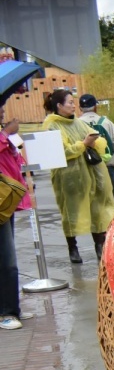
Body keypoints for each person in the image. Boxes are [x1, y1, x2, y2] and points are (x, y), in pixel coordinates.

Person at [40, 89, 114, 264]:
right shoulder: (51, 125)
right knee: (71, 210)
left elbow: (95, 138)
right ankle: (72, 247)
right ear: (59, 106)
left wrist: (94, 140)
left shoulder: (78, 123)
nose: (73, 106)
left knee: (97, 206)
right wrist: (83, 144)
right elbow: (61, 151)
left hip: (90, 173)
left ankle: (99, 244)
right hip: (69, 177)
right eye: (69, 103)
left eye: (73, 102)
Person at [0, 103, 30, 329]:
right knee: (6, 260)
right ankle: (7, 312)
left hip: (6, 200)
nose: (3, 110)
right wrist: (6, 135)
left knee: (8, 257)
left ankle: (13, 307)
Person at [77, 94, 114, 197]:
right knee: (108, 202)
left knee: (89, 203)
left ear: (80, 108)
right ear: (95, 107)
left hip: (84, 169)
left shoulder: (76, 125)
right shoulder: (106, 123)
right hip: (106, 168)